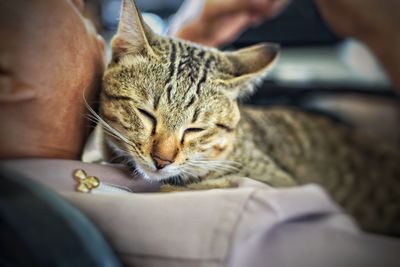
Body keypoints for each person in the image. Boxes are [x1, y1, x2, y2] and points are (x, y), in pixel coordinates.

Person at [0, 0, 399, 266]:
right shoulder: (241, 213)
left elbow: (171, 91)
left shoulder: (55, 165)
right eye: (76, 10)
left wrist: (197, 33)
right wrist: (379, 27)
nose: (165, 154)